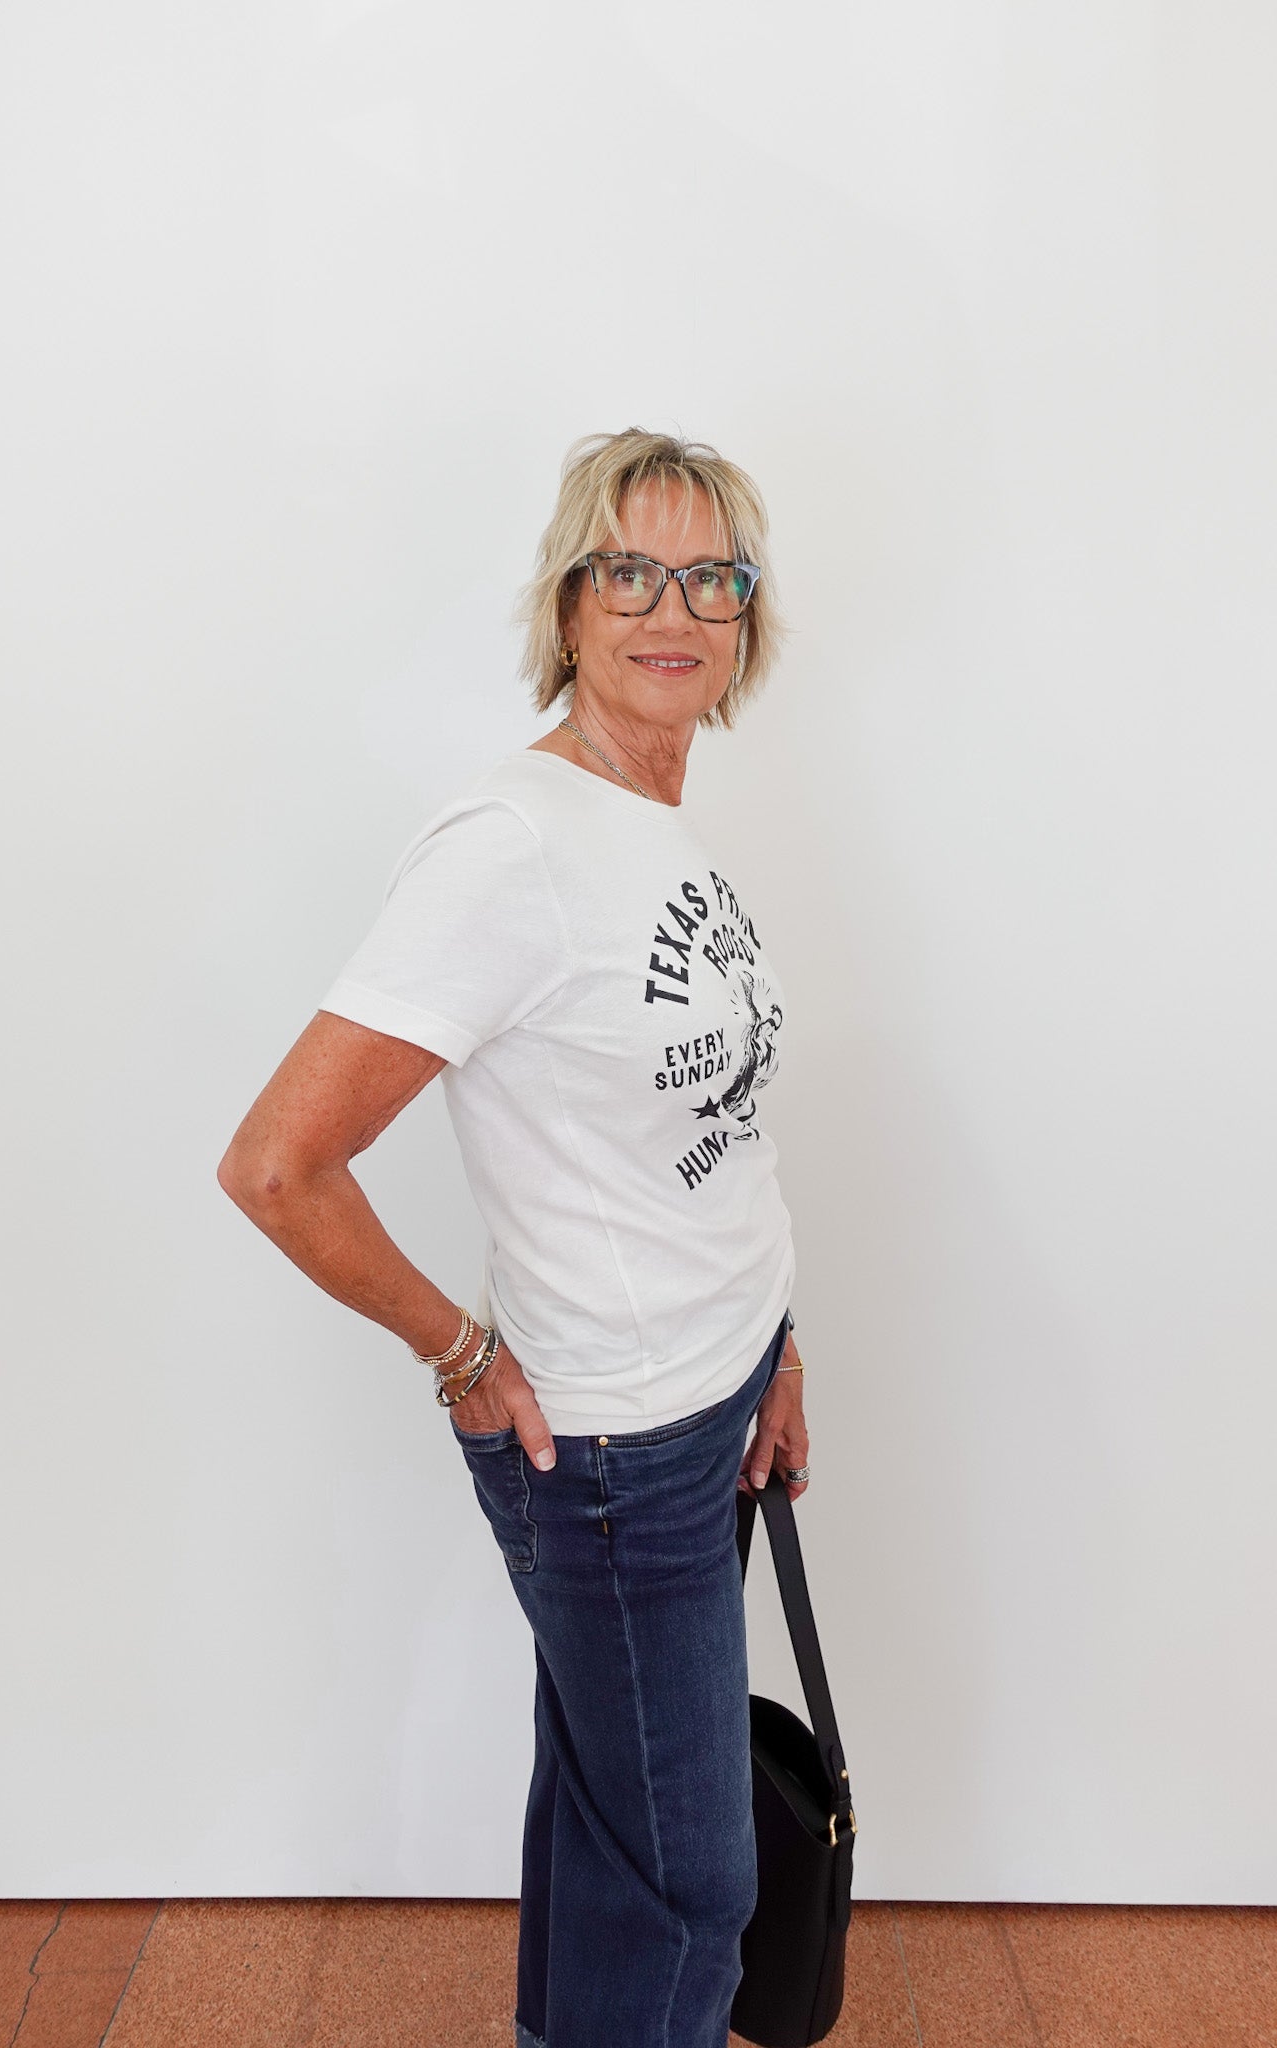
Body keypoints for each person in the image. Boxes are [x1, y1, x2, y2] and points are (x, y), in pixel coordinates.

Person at [217, 426, 810, 2048]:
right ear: (568, 605)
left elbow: (708, 1128)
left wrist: (776, 1342)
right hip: (610, 1452)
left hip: (710, 1410)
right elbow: (281, 1165)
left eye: (713, 575)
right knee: (695, 1888)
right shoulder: (513, 850)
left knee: (612, 1838)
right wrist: (463, 1356)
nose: (673, 605)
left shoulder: (654, 822)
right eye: (632, 569)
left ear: (746, 618)